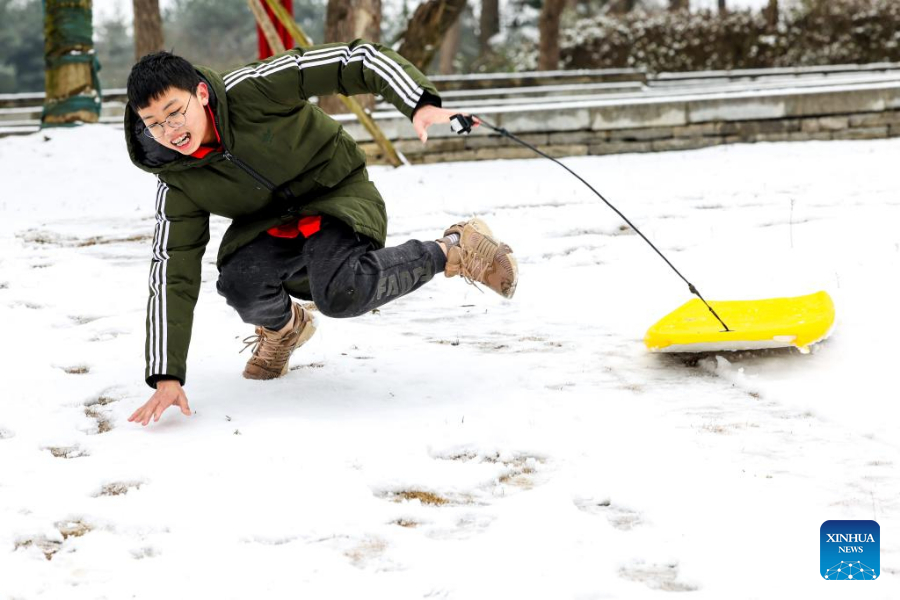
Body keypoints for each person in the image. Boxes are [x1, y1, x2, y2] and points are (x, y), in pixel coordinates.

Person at [123, 40, 518, 427]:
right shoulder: (176, 178)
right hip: (269, 226)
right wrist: (166, 375)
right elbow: (171, 270)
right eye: (154, 124)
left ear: (202, 94)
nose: (170, 131)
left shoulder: (252, 87)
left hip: (337, 195)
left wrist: (419, 102)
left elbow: (353, 59)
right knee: (239, 284)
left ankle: (454, 248)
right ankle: (286, 330)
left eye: (175, 113)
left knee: (342, 292)